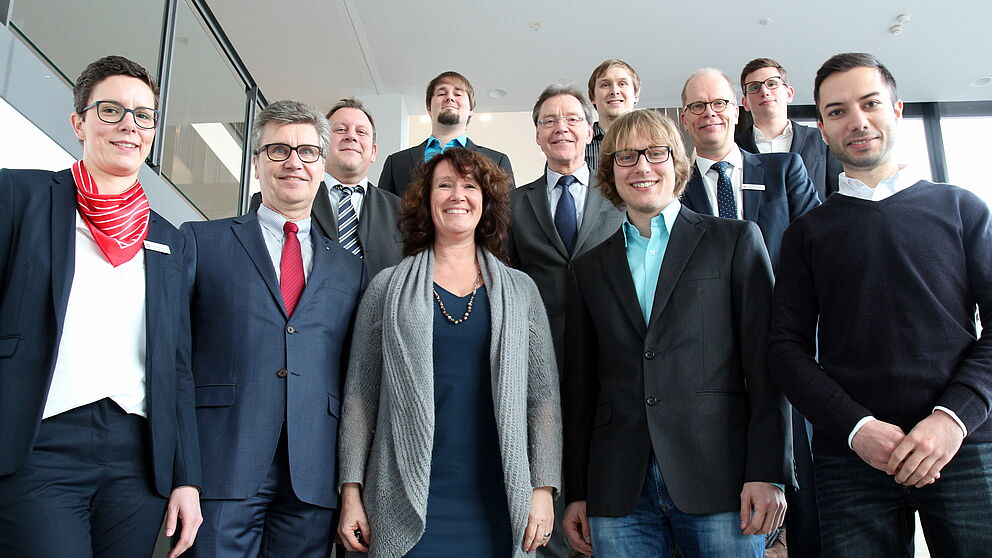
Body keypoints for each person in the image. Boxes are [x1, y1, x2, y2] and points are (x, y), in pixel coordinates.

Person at [768, 52, 992, 558]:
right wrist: (857, 429)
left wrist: (950, 419)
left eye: (870, 104)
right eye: (837, 111)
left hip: (963, 445)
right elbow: (785, 348)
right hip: (852, 460)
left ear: (897, 110)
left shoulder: (962, 209)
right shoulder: (808, 233)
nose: (857, 120)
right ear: (822, 130)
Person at [562, 109, 794, 558]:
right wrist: (577, 489)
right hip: (617, 487)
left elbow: (767, 367)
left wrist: (768, 471)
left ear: (678, 163)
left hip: (722, 477)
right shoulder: (587, 268)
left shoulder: (735, 241)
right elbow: (580, 389)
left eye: (655, 153)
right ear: (610, 172)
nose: (642, 167)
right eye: (626, 157)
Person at [0, 55, 201, 558]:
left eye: (143, 115)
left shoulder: (168, 240)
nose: (129, 125)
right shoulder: (18, 197)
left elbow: (176, 366)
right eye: (111, 110)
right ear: (79, 122)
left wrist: (185, 478)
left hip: (136, 460)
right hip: (37, 443)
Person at [337, 147, 561, 557]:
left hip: (499, 498)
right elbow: (359, 398)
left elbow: (542, 399)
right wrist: (351, 491)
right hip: (403, 496)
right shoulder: (386, 288)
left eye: (469, 186)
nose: (457, 195)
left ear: (485, 201)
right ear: (426, 199)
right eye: (444, 185)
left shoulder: (521, 290)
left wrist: (543, 488)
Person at [183, 100, 367, 558]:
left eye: (307, 152)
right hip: (221, 461)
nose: (294, 163)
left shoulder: (351, 270)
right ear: (257, 161)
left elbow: (354, 374)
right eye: (279, 150)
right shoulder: (201, 241)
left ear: (322, 166)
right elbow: (174, 357)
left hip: (313, 471)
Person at [508, 84, 624, 369]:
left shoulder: (620, 195)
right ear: (538, 135)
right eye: (549, 121)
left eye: (572, 119)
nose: (561, 128)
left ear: (588, 131)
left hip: (611, 348)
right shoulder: (512, 203)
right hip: (539, 351)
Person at [679, 68, 819, 265]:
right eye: (697, 106)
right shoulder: (675, 190)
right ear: (685, 119)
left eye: (719, 103)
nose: (709, 112)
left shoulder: (785, 170)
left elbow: (816, 240)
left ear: (736, 113)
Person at [251, 97, 403, 278]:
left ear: (373, 152)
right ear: (321, 146)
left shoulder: (403, 211)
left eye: (361, 132)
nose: (351, 136)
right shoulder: (276, 198)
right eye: (340, 129)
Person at [378, 71, 514, 196]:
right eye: (442, 93)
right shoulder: (396, 163)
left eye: (458, 94)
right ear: (429, 107)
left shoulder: (497, 161)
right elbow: (382, 215)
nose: (449, 98)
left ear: (471, 108)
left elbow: (506, 216)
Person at [736, 57, 843, 201]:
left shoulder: (821, 139)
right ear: (745, 103)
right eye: (754, 87)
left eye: (772, 83)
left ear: (789, 94)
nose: (764, 91)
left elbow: (838, 194)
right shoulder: (735, 149)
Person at [585, 59, 641, 171]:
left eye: (622, 84)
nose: (614, 91)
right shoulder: (579, 144)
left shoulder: (654, 140)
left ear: (636, 95)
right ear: (593, 98)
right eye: (605, 85)